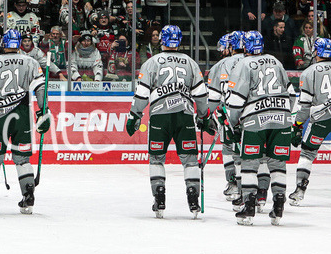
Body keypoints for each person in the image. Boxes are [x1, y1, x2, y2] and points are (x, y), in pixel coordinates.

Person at [126, 25, 212, 218]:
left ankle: (160, 198)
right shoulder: (190, 63)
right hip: (184, 115)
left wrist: (134, 115)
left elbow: (142, 94)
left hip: (159, 116)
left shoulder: (152, 62)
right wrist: (204, 116)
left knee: (156, 158)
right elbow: (200, 94)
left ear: (163, 40)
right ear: (179, 41)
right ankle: (193, 200)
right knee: (190, 160)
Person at [0, 30, 49, 214]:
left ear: (4, 43)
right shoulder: (31, 62)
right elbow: (40, 88)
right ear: (18, 44)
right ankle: (28, 196)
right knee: (22, 159)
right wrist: (43, 112)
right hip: (22, 115)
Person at [226, 30, 295, 225]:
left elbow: (237, 99)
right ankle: (279, 205)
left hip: (255, 120)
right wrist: (286, 115)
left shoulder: (244, 64)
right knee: (278, 163)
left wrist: (233, 123)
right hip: (282, 117)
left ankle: (248, 208)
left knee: (249, 163)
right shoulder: (275, 61)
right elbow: (291, 94)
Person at [290, 37, 331, 206]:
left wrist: (297, 125)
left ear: (316, 51)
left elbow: (304, 105)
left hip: (322, 117)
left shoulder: (309, 71)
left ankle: (299, 191)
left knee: (308, 152)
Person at [205, 32, 245, 201]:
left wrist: (205, 117)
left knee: (229, 148)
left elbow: (213, 98)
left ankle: (234, 183)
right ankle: (257, 188)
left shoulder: (220, 66)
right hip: (253, 113)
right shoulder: (254, 61)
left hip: (229, 113)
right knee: (254, 151)